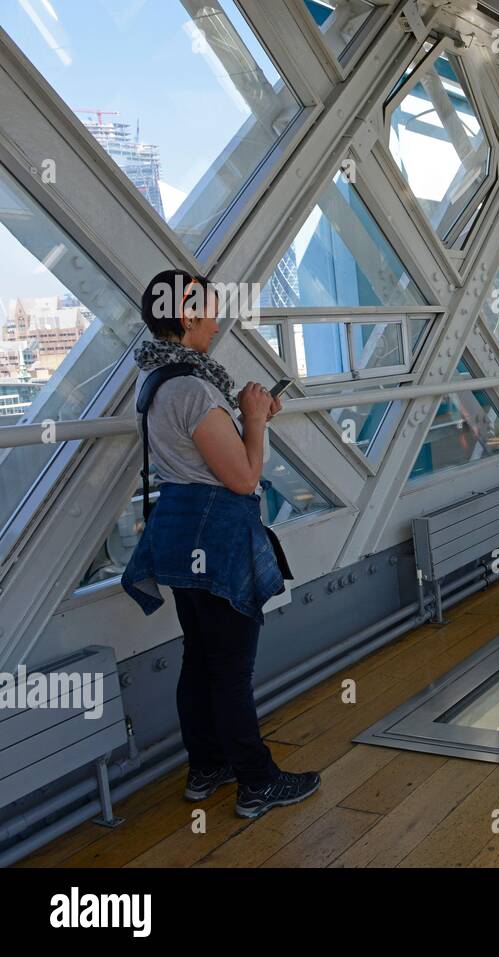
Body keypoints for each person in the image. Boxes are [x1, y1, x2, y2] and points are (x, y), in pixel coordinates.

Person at [121, 270, 321, 820]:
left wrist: (243, 418)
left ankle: (205, 767)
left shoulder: (157, 383)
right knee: (231, 668)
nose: (215, 321)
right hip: (217, 540)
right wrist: (255, 419)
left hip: (180, 539)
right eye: (209, 310)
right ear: (186, 318)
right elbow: (244, 478)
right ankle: (257, 782)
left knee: (199, 658)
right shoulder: (193, 389)